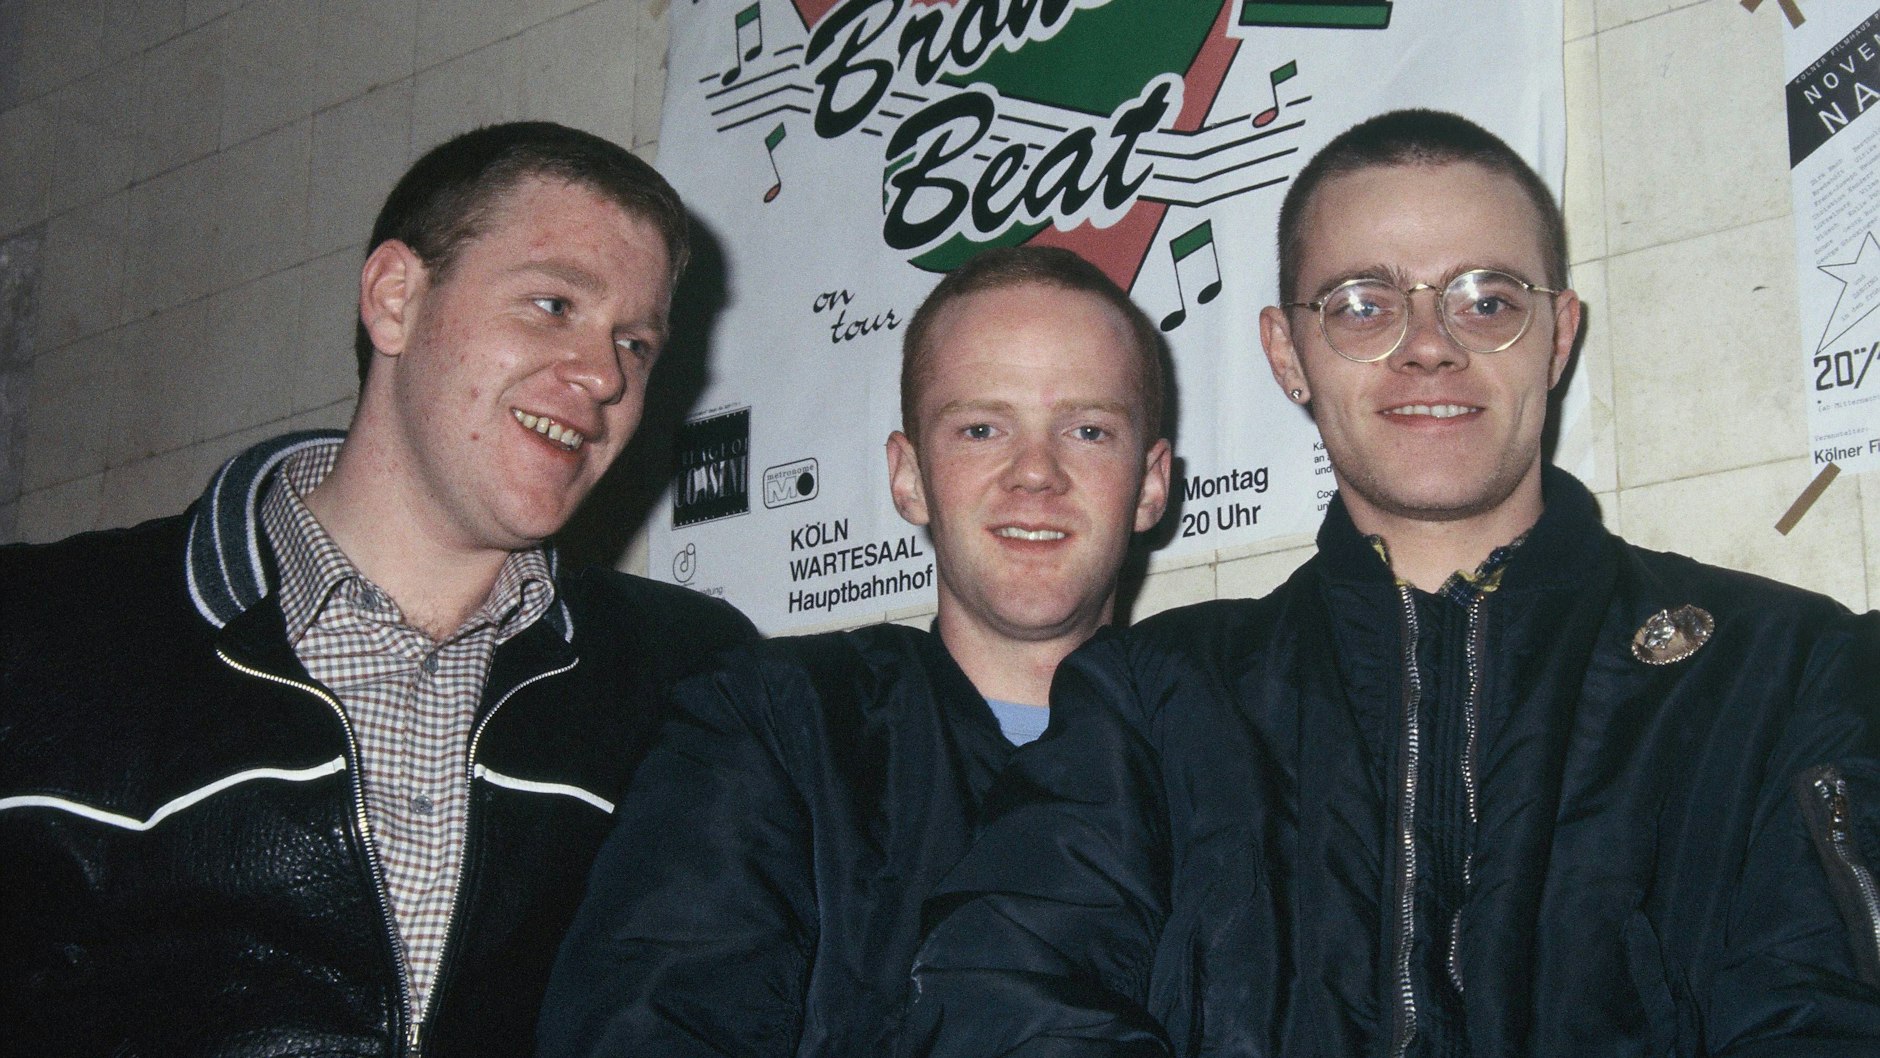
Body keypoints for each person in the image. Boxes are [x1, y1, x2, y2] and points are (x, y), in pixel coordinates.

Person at [906, 109, 1880, 1056]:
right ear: (1287, 354)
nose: (1428, 344)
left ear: (1556, 336)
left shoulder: (1783, 669)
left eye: (1486, 300)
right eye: (1362, 305)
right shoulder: (1149, 698)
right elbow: (1007, 994)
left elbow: (1827, 1011)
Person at [0, 121, 757, 1056]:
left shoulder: (690, 678)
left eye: (636, 345)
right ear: (395, 299)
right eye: (553, 304)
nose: (604, 376)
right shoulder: (41, 631)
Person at [536, 245, 1174, 1056]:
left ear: (1150, 484)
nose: (1035, 474)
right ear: (909, 478)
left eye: (1088, 431)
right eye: (981, 428)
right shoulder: (779, 725)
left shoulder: (1224, 757)